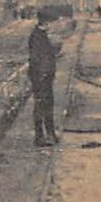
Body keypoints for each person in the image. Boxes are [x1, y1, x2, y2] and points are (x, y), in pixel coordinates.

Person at [28, 8, 60, 146]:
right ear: (46, 22)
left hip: (45, 74)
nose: (54, 25)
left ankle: (50, 134)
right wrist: (42, 74)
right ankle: (40, 136)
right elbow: (36, 57)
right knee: (41, 105)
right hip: (40, 76)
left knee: (47, 104)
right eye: (52, 22)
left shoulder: (42, 34)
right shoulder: (37, 36)